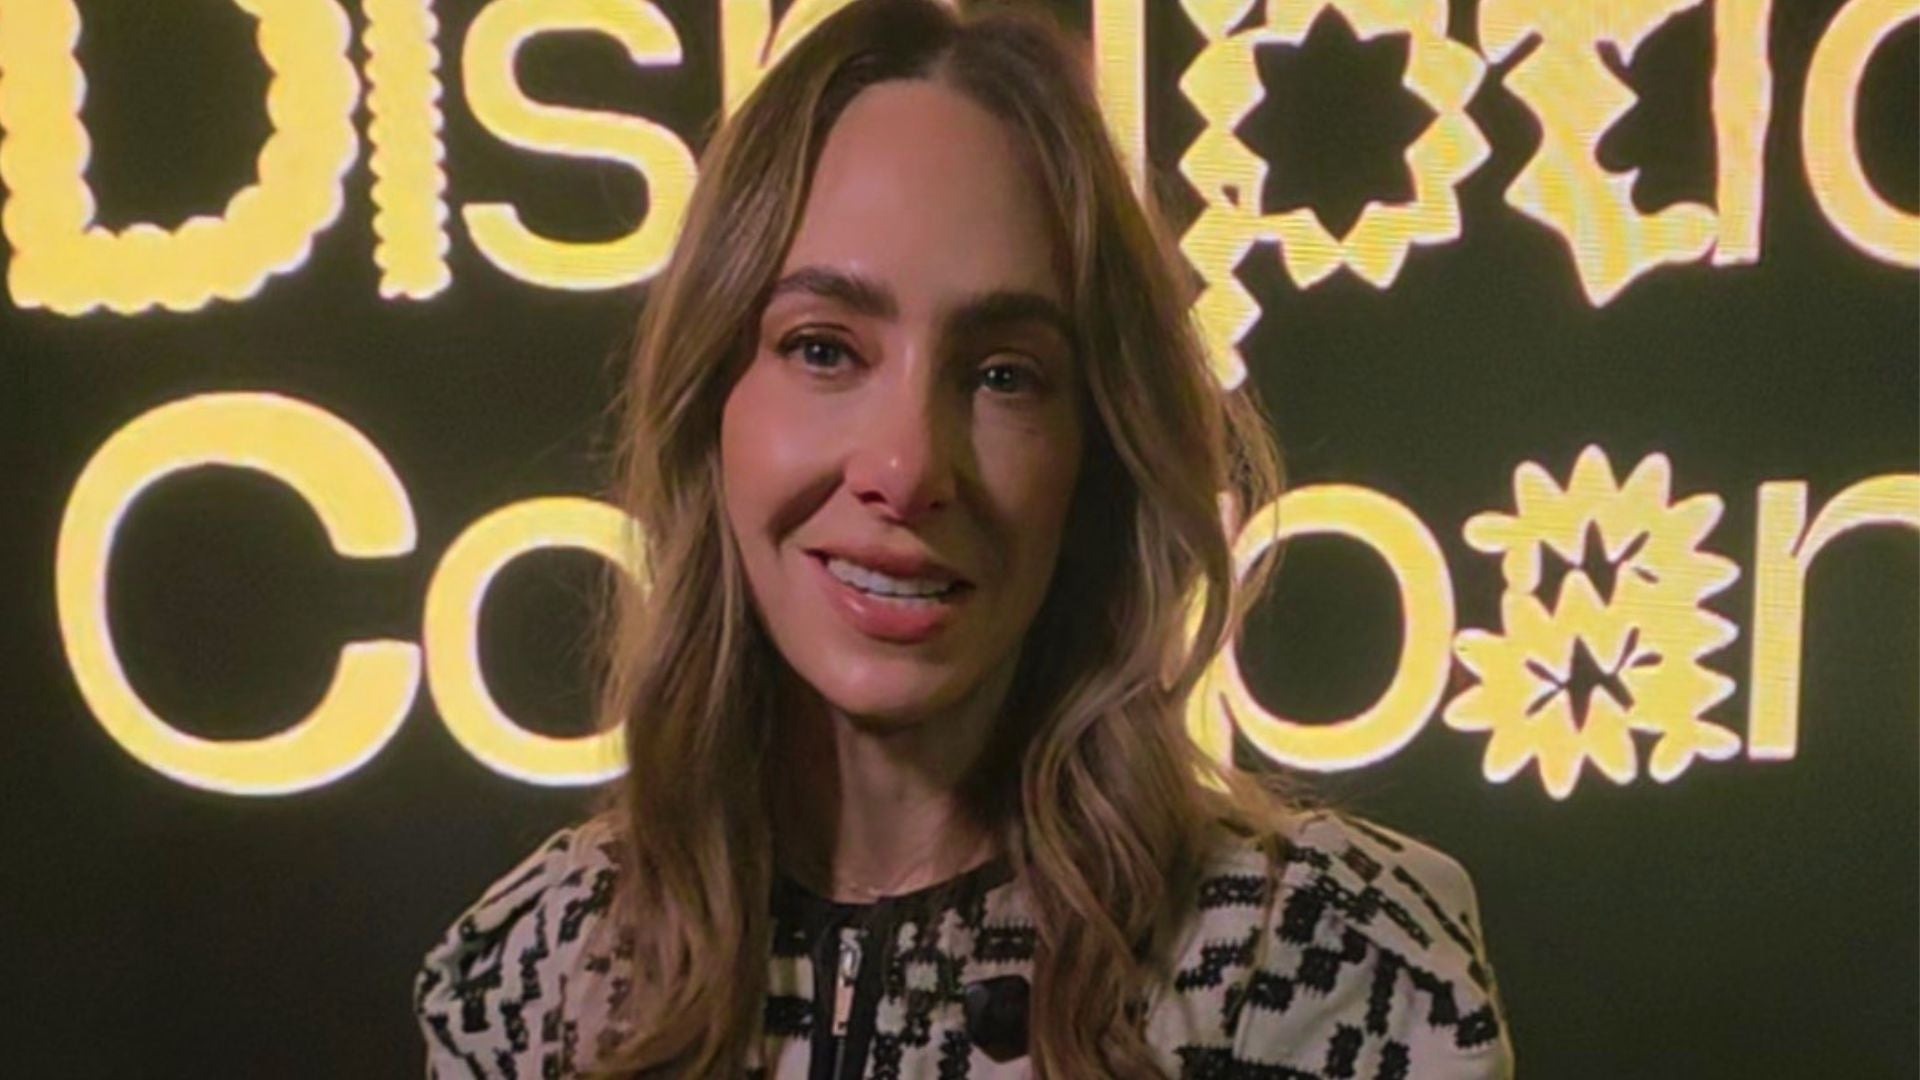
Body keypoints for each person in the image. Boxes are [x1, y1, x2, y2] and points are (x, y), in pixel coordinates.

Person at [413, 0, 1513, 1075]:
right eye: (824, 349)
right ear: (712, 409)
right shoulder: (533, 981)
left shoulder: (1327, 965)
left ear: (1096, 451)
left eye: (1002, 375)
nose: (907, 470)